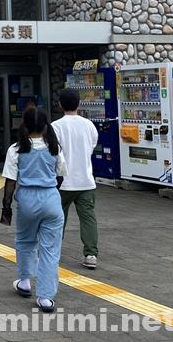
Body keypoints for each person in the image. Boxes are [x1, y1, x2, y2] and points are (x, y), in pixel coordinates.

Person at [0, 107, 67, 313]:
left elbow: (10, 182)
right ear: (46, 126)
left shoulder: (16, 149)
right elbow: (60, 175)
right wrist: (50, 192)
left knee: (25, 241)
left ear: (25, 125)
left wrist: (6, 207)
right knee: (50, 250)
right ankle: (45, 298)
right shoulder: (54, 148)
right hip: (51, 199)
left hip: (27, 200)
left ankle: (24, 281)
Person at [51, 88, 99, 270]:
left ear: (60, 104)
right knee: (88, 218)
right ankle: (91, 254)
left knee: (57, 218)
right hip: (86, 180)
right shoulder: (89, 125)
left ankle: (53, 252)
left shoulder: (56, 126)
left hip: (63, 181)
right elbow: (92, 146)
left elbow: (53, 152)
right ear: (79, 103)